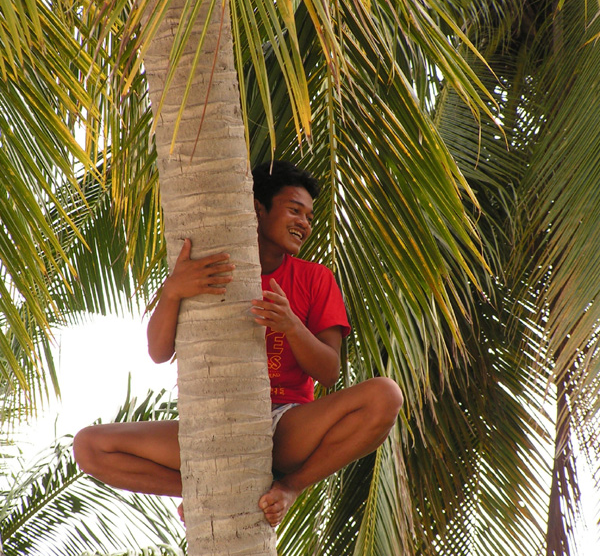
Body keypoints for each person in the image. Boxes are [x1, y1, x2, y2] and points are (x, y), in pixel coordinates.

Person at [73, 161, 403, 526]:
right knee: (89, 447)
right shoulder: (207, 266)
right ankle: (200, 491)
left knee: (385, 395)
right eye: (295, 210)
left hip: (287, 425)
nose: (305, 224)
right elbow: (158, 351)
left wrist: (292, 327)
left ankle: (289, 487)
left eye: (309, 216)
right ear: (258, 209)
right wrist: (173, 291)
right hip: (211, 423)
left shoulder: (315, 278)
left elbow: (328, 371)